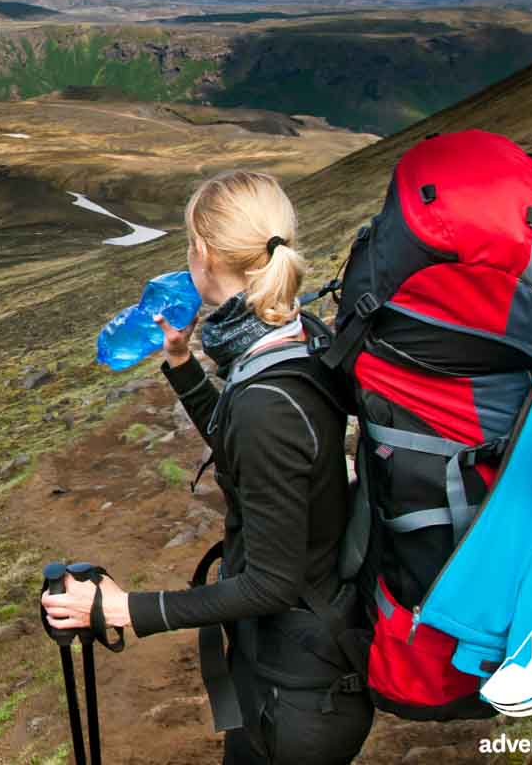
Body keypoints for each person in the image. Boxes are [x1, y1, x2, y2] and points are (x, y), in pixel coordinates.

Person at [41, 169, 374, 764]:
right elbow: (249, 448)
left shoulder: (265, 400)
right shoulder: (292, 339)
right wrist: (182, 362)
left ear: (203, 252)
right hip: (290, 667)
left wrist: (125, 610)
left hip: (299, 694)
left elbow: (272, 583)